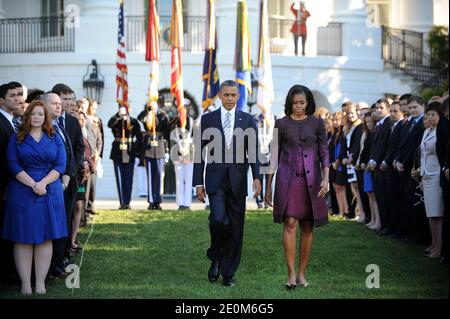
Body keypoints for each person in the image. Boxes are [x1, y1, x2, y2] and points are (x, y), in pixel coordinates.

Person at [193, 80, 261, 287]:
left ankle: (228, 272)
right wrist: (198, 182)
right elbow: (199, 153)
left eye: (234, 95)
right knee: (219, 221)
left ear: (238, 96)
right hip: (215, 180)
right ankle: (216, 257)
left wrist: (257, 177)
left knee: (236, 228)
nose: (230, 99)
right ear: (220, 96)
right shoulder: (208, 120)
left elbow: (254, 152)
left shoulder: (248, 120)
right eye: (226, 95)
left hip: (238, 180)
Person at [265, 84, 329, 289]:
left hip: (312, 181)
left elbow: (324, 152)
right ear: (289, 103)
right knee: (290, 222)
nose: (299, 106)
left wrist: (326, 178)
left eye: (302, 102)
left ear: (308, 102)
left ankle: (302, 273)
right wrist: (268, 185)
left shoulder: (317, 123)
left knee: (308, 226)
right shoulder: (280, 124)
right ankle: (291, 273)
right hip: (287, 180)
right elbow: (273, 155)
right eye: (295, 103)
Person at [2, 100, 67, 295]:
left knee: (45, 238)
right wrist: (33, 184)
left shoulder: (54, 137)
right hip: (22, 190)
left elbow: (60, 165)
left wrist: (43, 183)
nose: (37, 117)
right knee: (23, 237)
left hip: (49, 190)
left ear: (45, 117)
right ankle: (25, 284)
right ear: (27, 116)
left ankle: (40, 282)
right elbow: (13, 165)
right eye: (33, 114)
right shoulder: (17, 138)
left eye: (40, 114)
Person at [0, 83, 21, 284]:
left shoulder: (14, 122)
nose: (18, 98)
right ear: (1, 100)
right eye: (13, 95)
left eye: (20, 95)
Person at [418, 102, 444, 258]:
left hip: (437, 174)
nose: (430, 117)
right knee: (430, 213)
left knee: (437, 213)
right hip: (426, 175)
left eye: (433, 114)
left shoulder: (441, 131)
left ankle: (439, 248)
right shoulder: (427, 131)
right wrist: (421, 174)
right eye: (428, 114)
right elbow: (422, 155)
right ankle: (433, 244)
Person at [108, 106, 142, 210]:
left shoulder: (133, 121)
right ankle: (122, 202)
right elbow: (110, 124)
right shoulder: (116, 120)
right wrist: (118, 115)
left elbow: (139, 138)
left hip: (129, 152)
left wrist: (135, 150)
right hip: (118, 151)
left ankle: (127, 202)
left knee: (128, 178)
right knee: (119, 177)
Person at [138, 101, 170, 210]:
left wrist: (160, 113)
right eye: (152, 107)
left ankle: (158, 201)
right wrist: (148, 111)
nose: (154, 109)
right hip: (148, 148)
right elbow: (139, 118)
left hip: (159, 147)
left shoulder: (162, 116)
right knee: (150, 177)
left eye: (155, 107)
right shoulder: (146, 115)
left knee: (158, 177)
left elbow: (167, 127)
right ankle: (151, 201)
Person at [171, 113, 195, 210]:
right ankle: (181, 203)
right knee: (179, 181)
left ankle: (187, 203)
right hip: (178, 156)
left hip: (190, 155)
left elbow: (195, 141)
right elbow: (172, 141)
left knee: (189, 181)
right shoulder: (175, 123)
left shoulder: (192, 123)